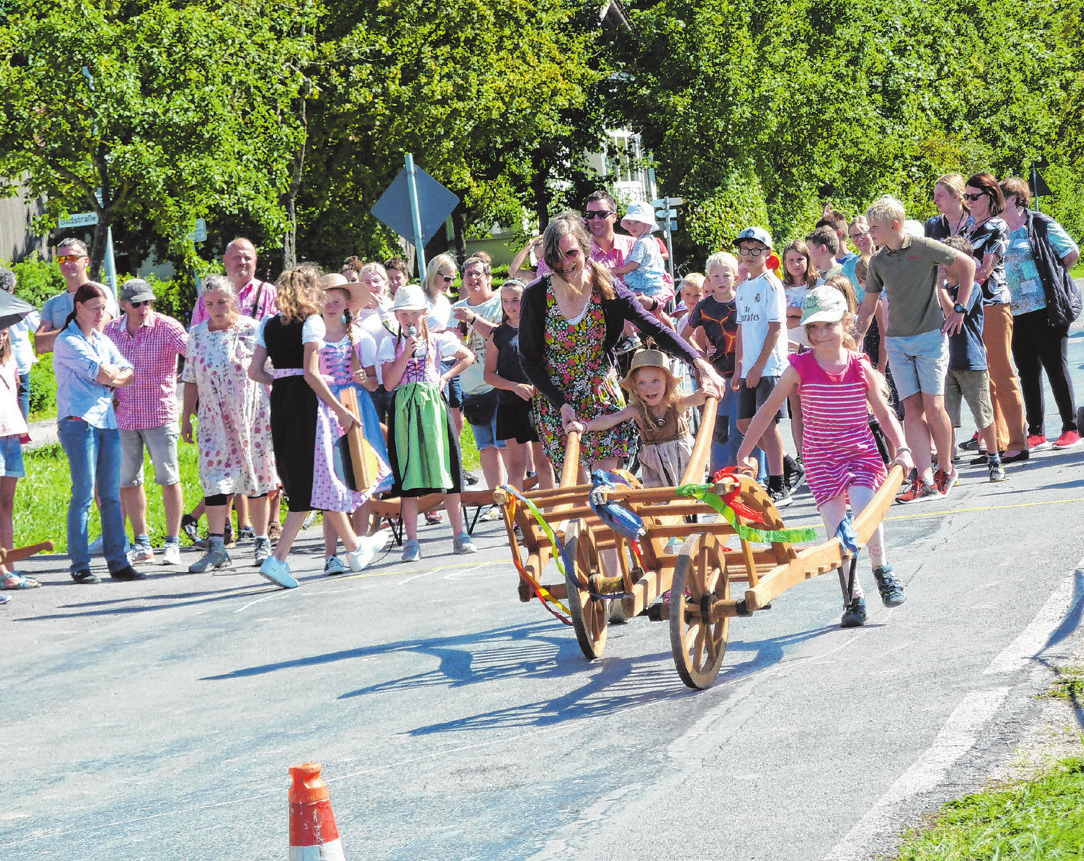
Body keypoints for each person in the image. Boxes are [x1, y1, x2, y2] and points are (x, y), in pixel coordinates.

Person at [737, 286, 913, 628]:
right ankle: (853, 596)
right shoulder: (800, 367)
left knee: (865, 515)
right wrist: (744, 452)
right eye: (813, 327)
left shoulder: (859, 367)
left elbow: (884, 412)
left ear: (845, 323)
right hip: (821, 459)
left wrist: (902, 447)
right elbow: (766, 411)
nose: (819, 334)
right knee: (839, 533)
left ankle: (881, 569)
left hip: (860, 454)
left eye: (827, 325)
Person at [518, 213, 722, 482]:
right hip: (557, 399)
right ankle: (584, 524)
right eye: (555, 257)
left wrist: (699, 362)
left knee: (606, 486)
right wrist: (561, 403)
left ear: (584, 249)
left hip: (600, 391)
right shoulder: (536, 295)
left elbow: (653, 326)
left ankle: (613, 523)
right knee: (578, 489)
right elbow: (528, 360)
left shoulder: (606, 288)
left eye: (571, 253)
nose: (564, 263)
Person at [249, 269, 388, 587]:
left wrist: (283, 381)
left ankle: (353, 549)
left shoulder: (267, 324)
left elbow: (255, 370)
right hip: (310, 407)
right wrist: (340, 411)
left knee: (319, 483)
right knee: (316, 481)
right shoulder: (312, 322)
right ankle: (282, 558)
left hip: (282, 405)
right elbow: (312, 374)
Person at [855, 195, 977, 502]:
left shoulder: (923, 248)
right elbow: (868, 304)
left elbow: (967, 265)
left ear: (894, 226)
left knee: (934, 407)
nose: (870, 233)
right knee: (911, 409)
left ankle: (946, 469)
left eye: (875, 227)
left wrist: (960, 308)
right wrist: (855, 340)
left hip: (930, 339)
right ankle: (924, 479)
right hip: (897, 342)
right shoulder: (879, 261)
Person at [185, 237, 281, 544]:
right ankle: (216, 545)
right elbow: (190, 377)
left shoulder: (252, 329)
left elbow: (272, 370)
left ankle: (262, 541)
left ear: (233, 302)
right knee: (215, 479)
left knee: (256, 477)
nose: (216, 309)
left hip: (252, 416)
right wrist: (186, 415)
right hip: (213, 418)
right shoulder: (197, 335)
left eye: (222, 303)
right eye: (210, 304)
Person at [380, 285, 478, 562]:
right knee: (409, 475)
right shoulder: (390, 344)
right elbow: (389, 383)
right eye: (403, 314)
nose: (409, 319)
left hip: (434, 408)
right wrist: (405, 354)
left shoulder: (437, 340)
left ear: (424, 313)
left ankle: (460, 535)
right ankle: (412, 542)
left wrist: (446, 377)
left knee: (447, 470)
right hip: (404, 411)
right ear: (397, 316)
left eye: (414, 313)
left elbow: (468, 356)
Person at [53, 282, 144, 584]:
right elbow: (106, 374)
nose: (100, 314)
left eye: (103, 309)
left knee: (111, 496)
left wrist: (112, 377)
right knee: (83, 493)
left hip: (106, 421)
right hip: (79, 422)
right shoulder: (67, 341)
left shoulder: (103, 341)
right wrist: (112, 377)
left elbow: (130, 375)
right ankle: (80, 564)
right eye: (95, 308)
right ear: (78, 308)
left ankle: (118, 563)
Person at [104, 279, 188, 567]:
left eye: (148, 302)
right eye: (137, 303)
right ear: (124, 305)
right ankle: (142, 543)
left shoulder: (168, 327)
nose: (143, 308)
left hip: (159, 414)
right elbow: (100, 367)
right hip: (124, 416)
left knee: (169, 478)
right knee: (128, 481)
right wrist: (109, 394)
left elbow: (196, 356)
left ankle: (172, 543)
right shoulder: (111, 329)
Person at [998, 176, 1081, 452]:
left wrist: (1055, 277)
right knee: (1027, 370)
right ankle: (1036, 431)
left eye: (998, 197)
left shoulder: (1039, 223)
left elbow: (1071, 252)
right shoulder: (1000, 230)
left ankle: (1070, 428)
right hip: (1015, 312)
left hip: (1046, 307)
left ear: (1012, 199)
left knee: (1055, 366)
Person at [959, 172, 1028, 464]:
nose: (970, 202)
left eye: (974, 196)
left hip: (994, 304)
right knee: (983, 376)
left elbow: (985, 272)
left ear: (990, 197)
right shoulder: (967, 229)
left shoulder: (997, 226)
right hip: (972, 307)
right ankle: (995, 443)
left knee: (1002, 372)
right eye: (967, 197)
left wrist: (955, 275)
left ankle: (1017, 441)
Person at [732, 226, 800, 506]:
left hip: (769, 366)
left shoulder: (771, 285)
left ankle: (778, 483)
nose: (749, 255)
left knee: (767, 425)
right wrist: (739, 368)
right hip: (749, 367)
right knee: (744, 424)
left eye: (756, 249)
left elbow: (774, 329)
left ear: (767, 254)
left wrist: (759, 366)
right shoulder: (744, 288)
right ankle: (788, 465)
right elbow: (741, 331)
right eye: (745, 249)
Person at [570, 348, 706, 487]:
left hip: (682, 461)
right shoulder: (637, 410)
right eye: (642, 383)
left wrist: (706, 391)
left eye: (655, 380)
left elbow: (696, 398)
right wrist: (585, 426)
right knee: (658, 502)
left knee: (687, 498)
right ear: (635, 387)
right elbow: (610, 419)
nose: (649, 388)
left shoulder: (677, 401)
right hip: (655, 466)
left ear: (667, 381)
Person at [936, 236, 1005, 482]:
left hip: (970, 360)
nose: (943, 263)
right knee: (946, 416)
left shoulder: (971, 288)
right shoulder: (940, 289)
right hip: (946, 363)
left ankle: (994, 458)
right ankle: (948, 463)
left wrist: (940, 287)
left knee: (982, 414)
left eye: (949, 258)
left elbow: (951, 312)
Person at [483, 279, 554, 492]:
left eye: (516, 300)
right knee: (516, 466)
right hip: (511, 405)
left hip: (539, 402)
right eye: (505, 301)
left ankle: (552, 516)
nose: (510, 306)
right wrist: (514, 386)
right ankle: (517, 520)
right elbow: (488, 375)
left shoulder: (540, 328)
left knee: (544, 462)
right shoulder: (498, 335)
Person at [451, 255, 506, 495]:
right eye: (468, 275)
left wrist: (473, 318)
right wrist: (451, 336)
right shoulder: (456, 308)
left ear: (489, 278)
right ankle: (497, 498)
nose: (472, 278)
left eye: (477, 274)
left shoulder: (500, 302)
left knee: (505, 445)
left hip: (500, 383)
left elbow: (502, 336)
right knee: (485, 447)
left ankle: (515, 494)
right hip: (472, 386)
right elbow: (453, 349)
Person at [0, 326, 37, 591]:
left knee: (6, 506)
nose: (1, 335)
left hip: (11, 435)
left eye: (3, 331)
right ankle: (2, 570)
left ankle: (9, 565)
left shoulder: (10, 361)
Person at [35, 239, 117, 355]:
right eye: (61, 259)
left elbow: (96, 329)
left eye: (72, 258)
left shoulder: (102, 292)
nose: (66, 263)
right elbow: (40, 345)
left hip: (100, 368)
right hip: (67, 371)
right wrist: (80, 327)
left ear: (86, 261)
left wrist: (57, 333)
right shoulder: (52, 304)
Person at [0, 268, 39, 419]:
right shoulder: (20, 306)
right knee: (22, 393)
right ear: (12, 288)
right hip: (20, 358)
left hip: (5, 359)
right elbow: (37, 327)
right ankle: (22, 429)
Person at [612, 202, 669, 302]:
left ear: (648, 224)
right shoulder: (653, 241)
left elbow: (634, 264)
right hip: (654, 285)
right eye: (629, 223)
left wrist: (617, 270)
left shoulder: (641, 243)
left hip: (642, 286)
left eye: (637, 222)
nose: (632, 226)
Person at [780, 239, 819, 349]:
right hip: (788, 349)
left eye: (800, 259)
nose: (796, 264)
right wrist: (807, 315)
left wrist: (793, 311)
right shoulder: (780, 289)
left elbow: (820, 316)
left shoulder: (819, 285)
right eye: (790, 260)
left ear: (808, 260)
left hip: (814, 347)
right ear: (785, 263)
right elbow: (781, 322)